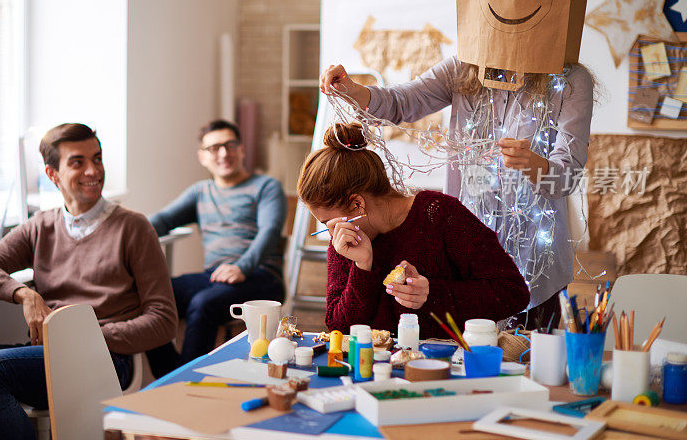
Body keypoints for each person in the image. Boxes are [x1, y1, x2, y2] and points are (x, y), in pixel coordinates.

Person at [0, 123, 178, 440]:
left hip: (106, 357)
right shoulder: (41, 226)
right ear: (52, 174)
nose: (93, 170)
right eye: (77, 162)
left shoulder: (133, 226)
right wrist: (23, 293)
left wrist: (83, 337)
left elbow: (163, 321)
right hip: (43, 353)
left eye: (97, 159)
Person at [319, 57, 594, 331]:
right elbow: (403, 101)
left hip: (535, 264)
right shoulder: (464, 67)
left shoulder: (570, 80)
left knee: (528, 367)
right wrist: (353, 91)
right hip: (466, 262)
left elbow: (567, 177)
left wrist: (534, 164)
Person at [297, 122, 530, 337]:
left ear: (357, 204)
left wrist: (430, 295)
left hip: (441, 368)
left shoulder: (438, 214)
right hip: (370, 371)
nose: (330, 233)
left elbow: (513, 292)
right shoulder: (344, 242)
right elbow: (340, 328)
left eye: (328, 222)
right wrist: (362, 267)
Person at [147, 119, 285, 365]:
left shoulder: (266, 186)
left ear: (242, 149)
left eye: (230, 145)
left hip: (262, 276)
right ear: (202, 156)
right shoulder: (200, 191)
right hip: (216, 276)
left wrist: (242, 267)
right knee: (153, 296)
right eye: (214, 148)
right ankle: (170, 372)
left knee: (203, 304)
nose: (224, 153)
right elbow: (162, 220)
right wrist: (124, 233)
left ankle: (185, 379)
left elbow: (270, 231)